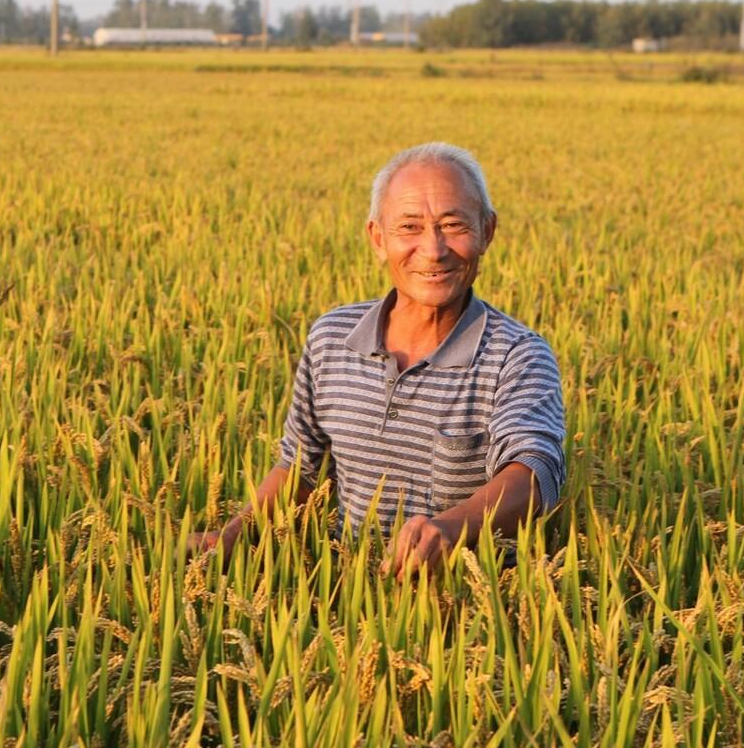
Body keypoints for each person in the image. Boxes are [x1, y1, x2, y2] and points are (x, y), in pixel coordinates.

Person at [188, 142, 565, 579]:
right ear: (378, 239)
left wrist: (450, 529)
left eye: (453, 224)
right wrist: (235, 533)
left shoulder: (517, 355)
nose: (433, 248)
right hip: (342, 591)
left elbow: (534, 474)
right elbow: (301, 466)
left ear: (487, 232)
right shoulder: (332, 337)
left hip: (460, 604)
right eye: (409, 227)